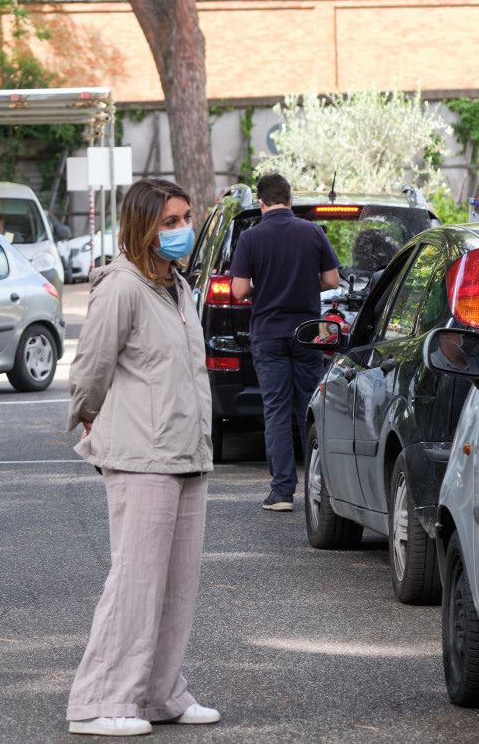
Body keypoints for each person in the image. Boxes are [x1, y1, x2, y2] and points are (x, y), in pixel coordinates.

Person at [65, 178, 219, 737]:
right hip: (142, 455)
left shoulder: (176, 287)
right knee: (134, 581)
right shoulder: (122, 285)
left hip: (186, 452)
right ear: (142, 226)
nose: (182, 230)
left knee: (176, 585)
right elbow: (91, 366)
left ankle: (159, 694)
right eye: (170, 221)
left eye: (185, 218)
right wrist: (88, 414)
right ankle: (98, 703)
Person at [231, 173, 341, 511]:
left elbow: (238, 290)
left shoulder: (250, 238)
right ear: (290, 200)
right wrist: (307, 286)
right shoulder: (312, 232)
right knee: (310, 411)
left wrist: (260, 289)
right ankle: (319, 489)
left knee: (276, 411)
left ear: (260, 203)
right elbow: (332, 280)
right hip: (308, 333)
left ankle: (282, 492)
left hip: (267, 334)